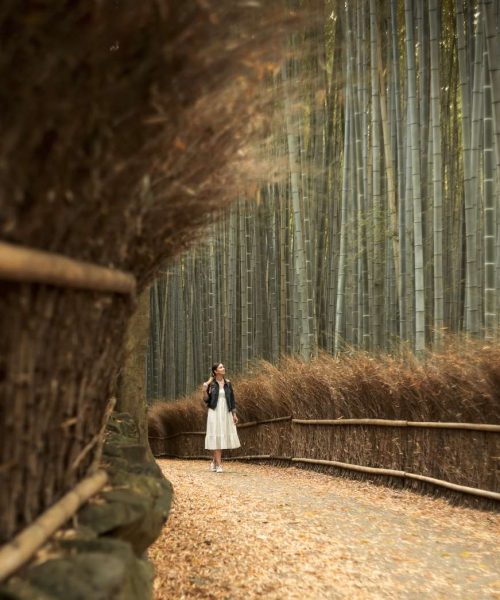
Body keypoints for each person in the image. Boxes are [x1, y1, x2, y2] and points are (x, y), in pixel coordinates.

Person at [202, 362, 240, 472]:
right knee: (216, 435)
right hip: (214, 411)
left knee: (221, 436)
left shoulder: (228, 383)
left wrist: (234, 414)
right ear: (215, 371)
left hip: (225, 412)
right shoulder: (211, 384)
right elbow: (206, 400)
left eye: (223, 366)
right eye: (221, 367)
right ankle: (219, 465)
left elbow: (232, 400)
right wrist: (204, 391)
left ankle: (214, 462)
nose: (224, 368)